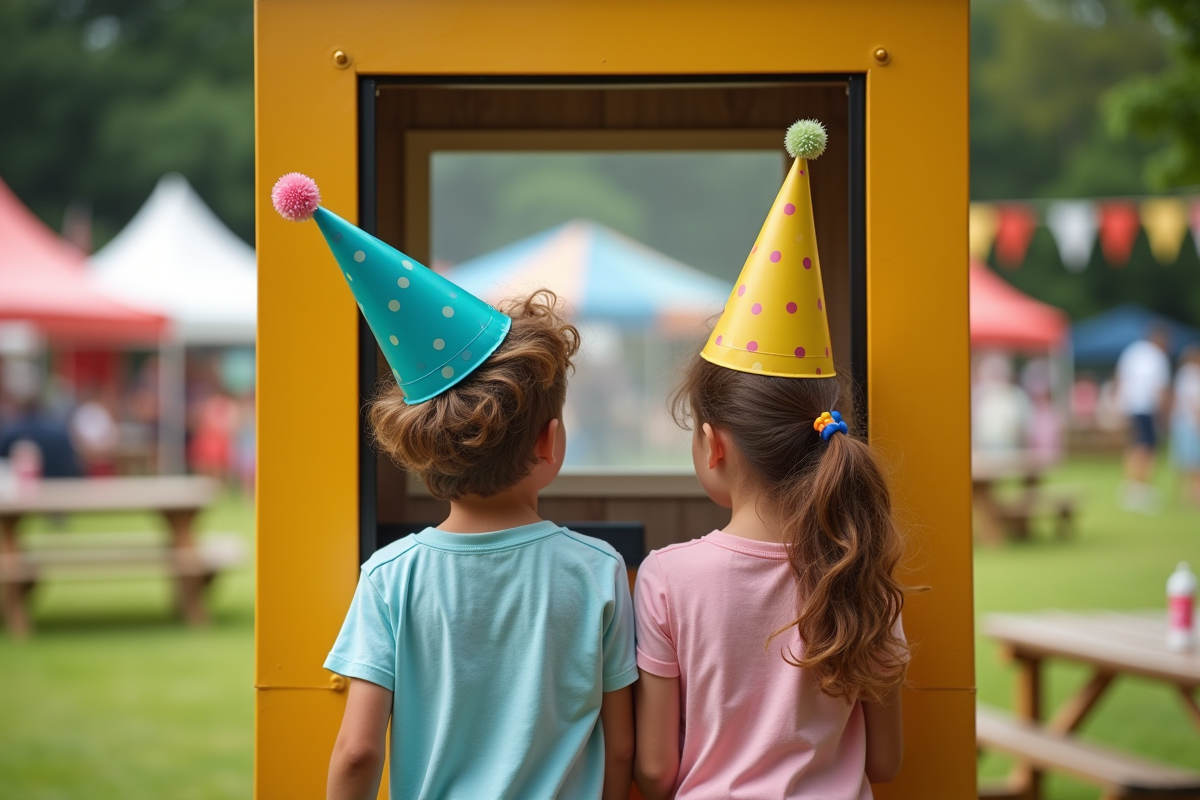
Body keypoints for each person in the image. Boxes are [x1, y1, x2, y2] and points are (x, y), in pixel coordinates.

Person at [269, 175, 636, 800]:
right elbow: (622, 744)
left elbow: (358, 751)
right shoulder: (600, 571)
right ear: (549, 443)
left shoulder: (389, 576)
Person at [634, 120, 908, 800]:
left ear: (714, 444)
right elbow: (886, 762)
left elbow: (654, 771)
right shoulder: (861, 565)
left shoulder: (668, 578)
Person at [1114, 325, 1172, 511]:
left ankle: (1133, 488)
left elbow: (1120, 379)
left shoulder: (1132, 351)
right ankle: (1140, 490)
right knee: (1146, 449)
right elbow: (1161, 389)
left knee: (1136, 446)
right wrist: (1163, 416)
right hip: (1146, 408)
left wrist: (1120, 406)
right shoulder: (1157, 357)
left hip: (1131, 407)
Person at [1171, 344, 1200, 506]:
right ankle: (1195, 495)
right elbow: (1193, 401)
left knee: (1182, 460)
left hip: (1180, 422)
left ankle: (1183, 495)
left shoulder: (1182, 374)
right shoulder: (1193, 374)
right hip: (1190, 423)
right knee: (1193, 460)